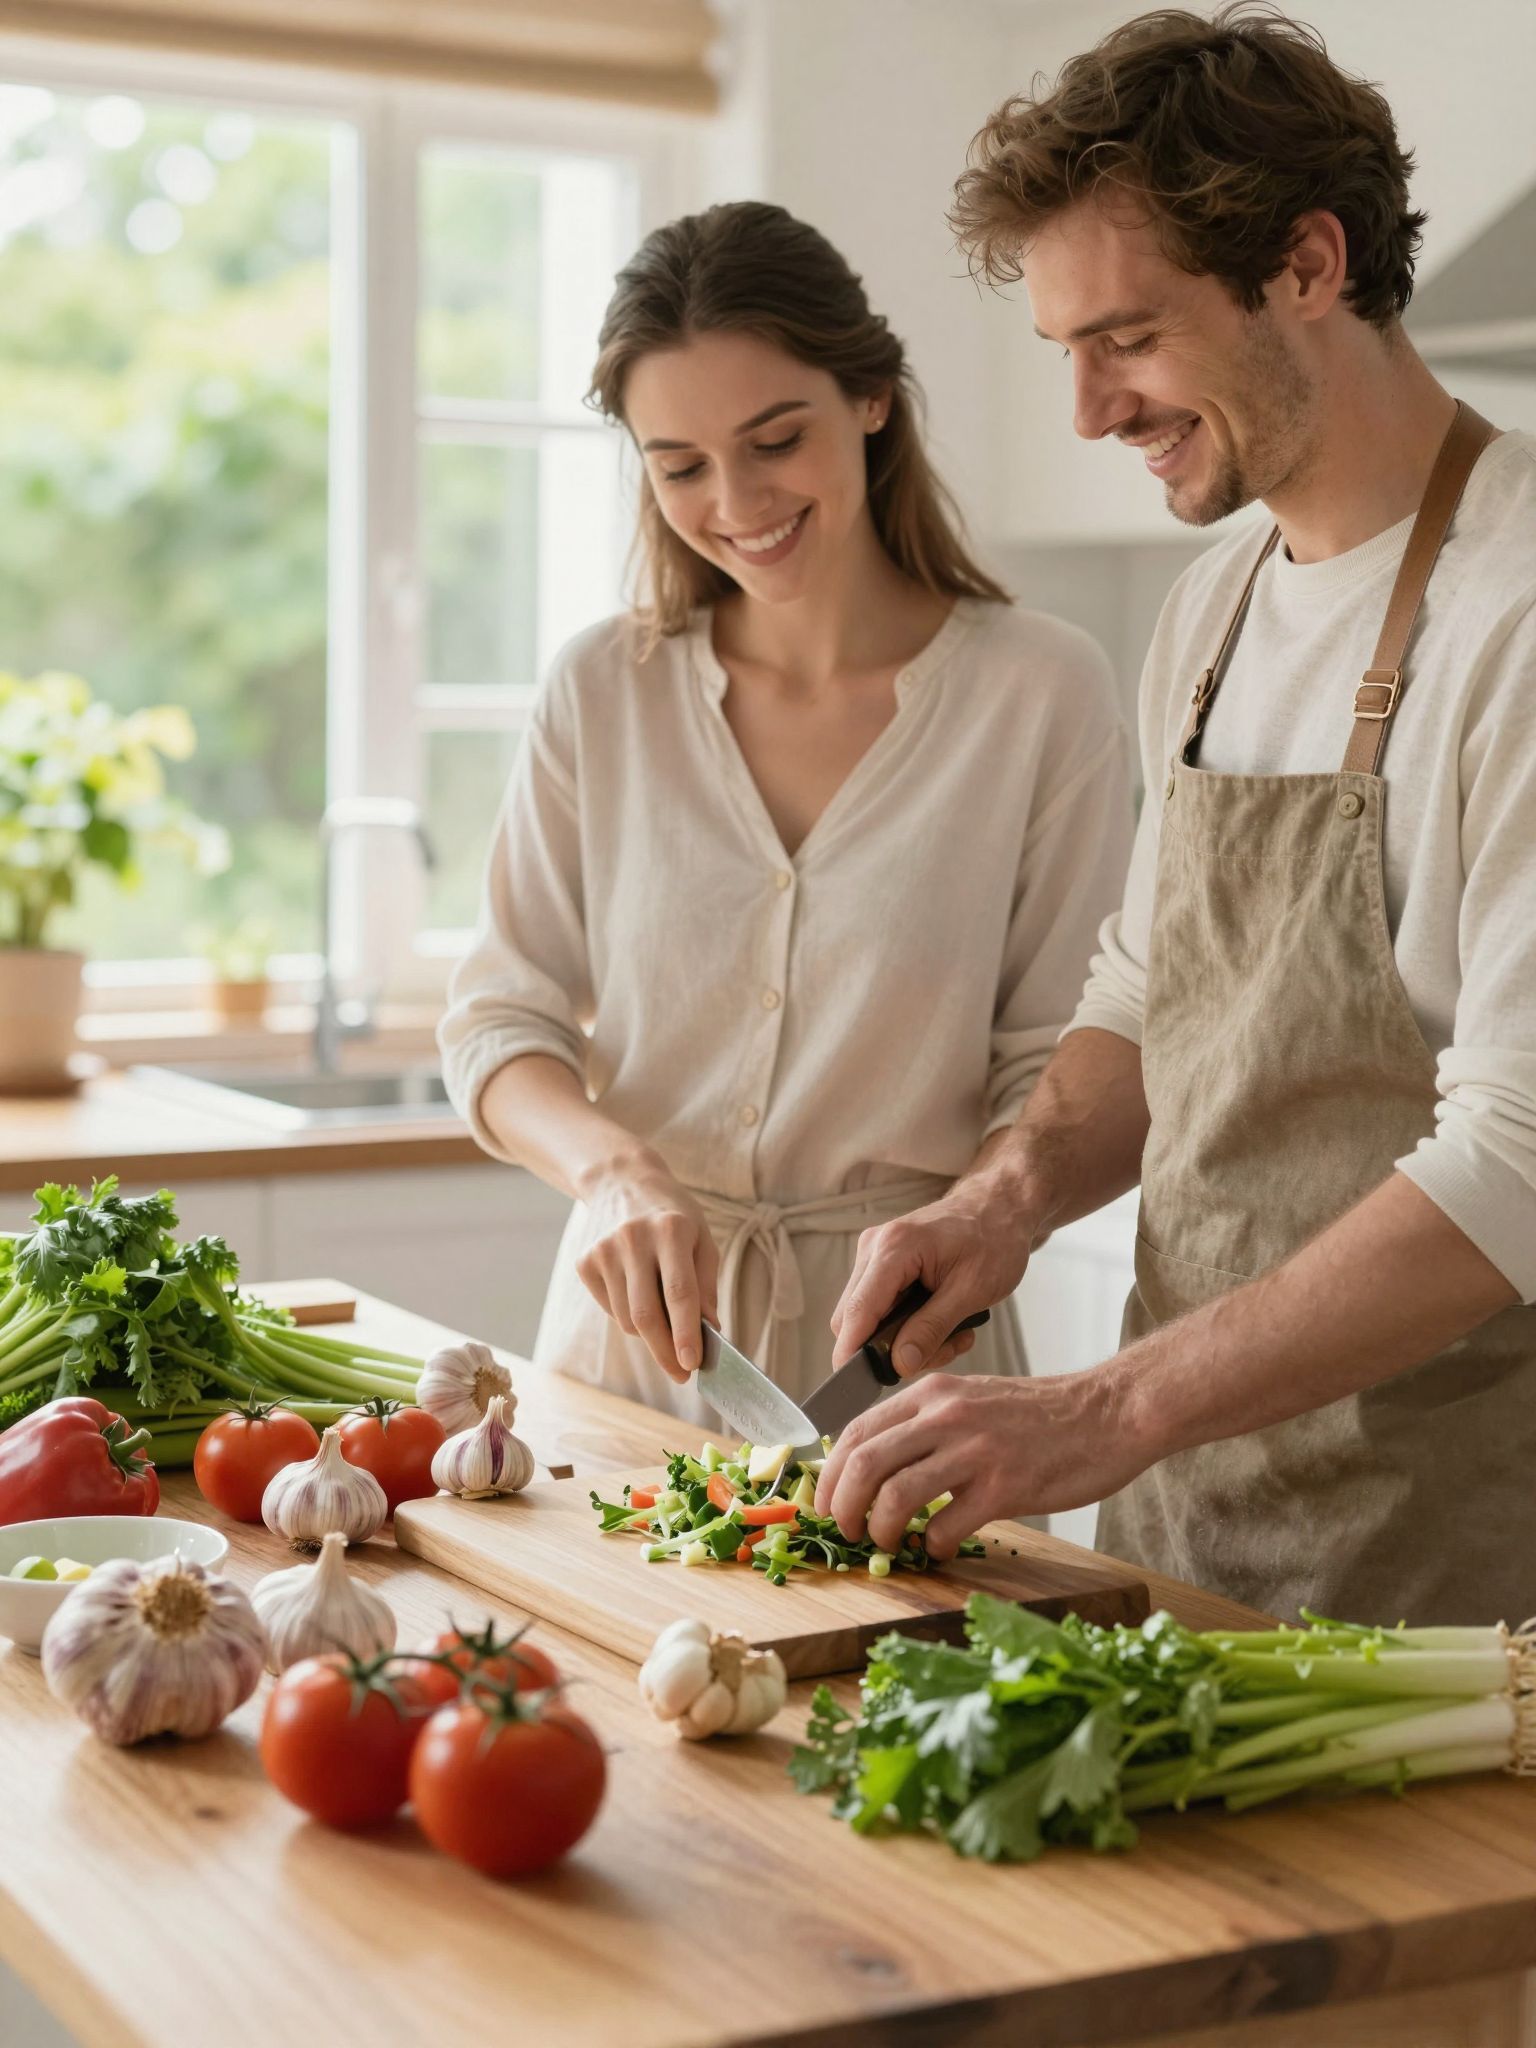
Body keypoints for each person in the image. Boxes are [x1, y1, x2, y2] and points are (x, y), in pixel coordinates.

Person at [817, 5, 1536, 1626]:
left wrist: (1097, 1404)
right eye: (1063, 347)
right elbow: (1152, 996)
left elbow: (1519, 1166)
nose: (1086, 410)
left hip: (1449, 1599)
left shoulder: (1519, 614)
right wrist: (1002, 1202)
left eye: (1125, 336)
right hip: (1180, 1533)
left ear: (1305, 262)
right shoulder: (1214, 608)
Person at [438, 201, 1132, 1426]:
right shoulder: (605, 688)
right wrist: (610, 1172)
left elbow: (1060, 1057)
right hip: (625, 1360)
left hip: (910, 1360)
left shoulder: (1041, 690)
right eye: (680, 465)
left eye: (774, 439)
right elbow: (498, 1019)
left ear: (870, 397)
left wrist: (977, 1217)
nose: (736, 500)